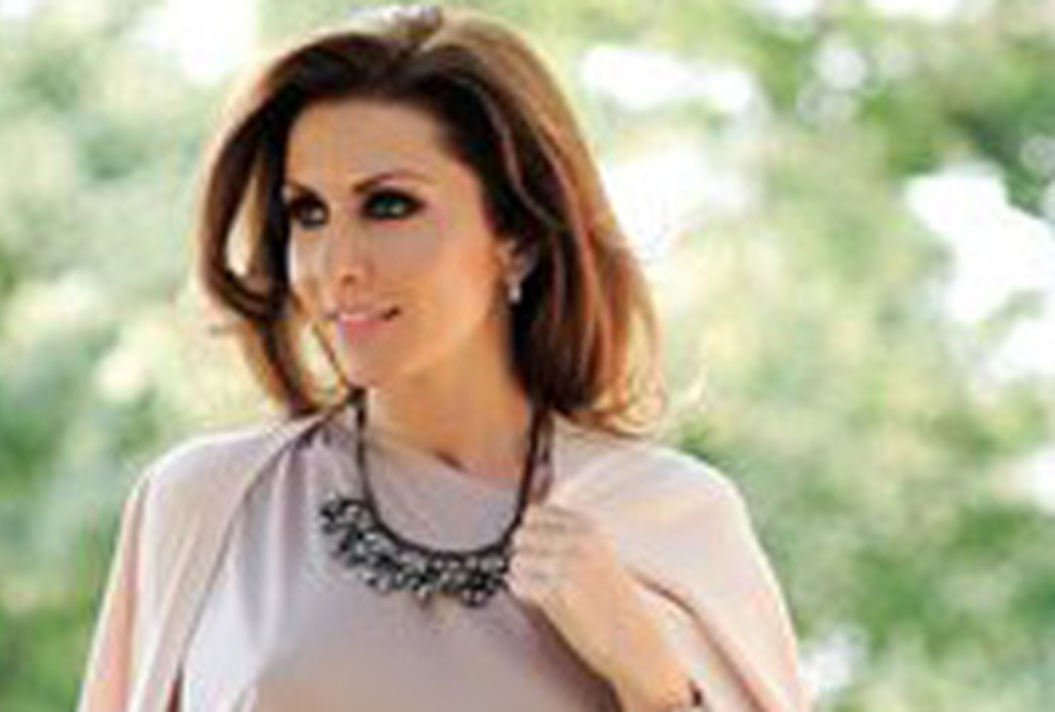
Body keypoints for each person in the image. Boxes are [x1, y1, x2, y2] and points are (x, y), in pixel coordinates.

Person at [76, 5, 812, 712]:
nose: (335, 264)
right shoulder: (206, 504)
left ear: (517, 237)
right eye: (308, 212)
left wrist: (652, 682)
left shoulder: (671, 517)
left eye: (388, 205)